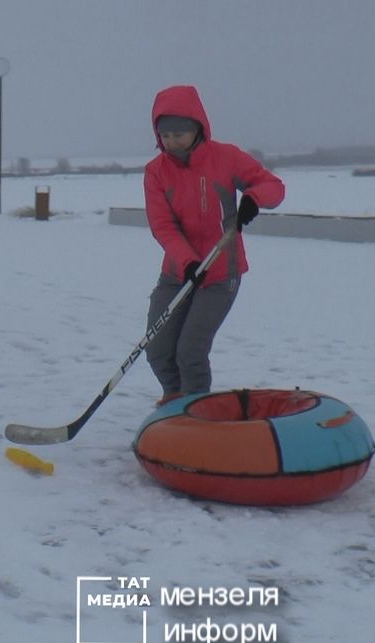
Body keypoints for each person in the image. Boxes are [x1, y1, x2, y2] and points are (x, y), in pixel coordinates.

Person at [143, 85, 285, 405]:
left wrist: (253, 198)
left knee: (190, 350)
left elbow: (273, 186)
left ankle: (195, 412)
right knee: (158, 347)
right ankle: (175, 400)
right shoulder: (155, 172)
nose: (171, 141)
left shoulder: (225, 158)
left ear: (198, 128)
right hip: (178, 271)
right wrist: (187, 262)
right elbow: (162, 226)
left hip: (221, 272)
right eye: (165, 135)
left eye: (179, 133)